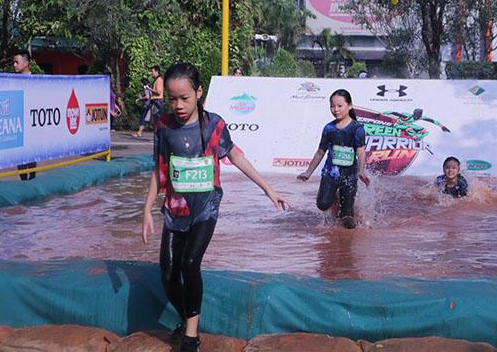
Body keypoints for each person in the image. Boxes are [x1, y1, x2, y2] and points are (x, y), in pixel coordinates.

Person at [142, 62, 290, 352]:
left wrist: (268, 189)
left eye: (185, 98)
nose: (178, 105)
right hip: (175, 208)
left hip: (205, 207)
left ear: (199, 92)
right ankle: (187, 317)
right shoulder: (163, 127)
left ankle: (191, 336)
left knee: (190, 263)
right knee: (168, 273)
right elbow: (158, 171)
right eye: (172, 99)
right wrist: (147, 208)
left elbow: (235, 156)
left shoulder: (213, 125)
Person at [298, 89, 370, 229]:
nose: (335, 110)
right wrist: (308, 172)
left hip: (349, 176)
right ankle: (335, 200)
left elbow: (361, 151)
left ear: (349, 106)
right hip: (330, 174)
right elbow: (320, 151)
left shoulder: (357, 129)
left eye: (339, 106)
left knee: (348, 220)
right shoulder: (329, 128)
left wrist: (361, 171)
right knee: (322, 204)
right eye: (332, 106)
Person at [13, 51, 36, 181]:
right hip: (19, 121)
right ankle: (23, 179)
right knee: (19, 152)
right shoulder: (12, 80)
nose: (14, 65)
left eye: (17, 62)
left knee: (32, 151)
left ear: (26, 63)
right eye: (14, 62)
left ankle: (32, 177)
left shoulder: (36, 79)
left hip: (32, 121)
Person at [134, 66, 164, 138]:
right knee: (154, 120)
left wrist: (149, 88)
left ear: (157, 71)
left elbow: (159, 92)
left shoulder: (159, 80)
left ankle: (160, 136)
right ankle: (157, 136)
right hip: (155, 101)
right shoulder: (156, 80)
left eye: (152, 71)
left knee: (157, 119)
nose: (151, 73)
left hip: (157, 101)